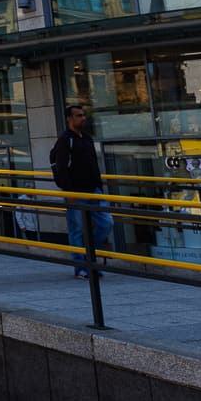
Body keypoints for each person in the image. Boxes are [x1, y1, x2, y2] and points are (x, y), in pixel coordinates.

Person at [49, 104, 113, 279]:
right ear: (69, 118)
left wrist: (99, 186)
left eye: (84, 115)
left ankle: (88, 256)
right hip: (75, 192)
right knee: (76, 229)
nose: (83, 118)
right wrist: (67, 191)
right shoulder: (65, 140)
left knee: (106, 223)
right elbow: (60, 167)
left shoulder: (87, 138)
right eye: (78, 115)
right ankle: (82, 267)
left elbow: (93, 163)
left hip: (93, 190)